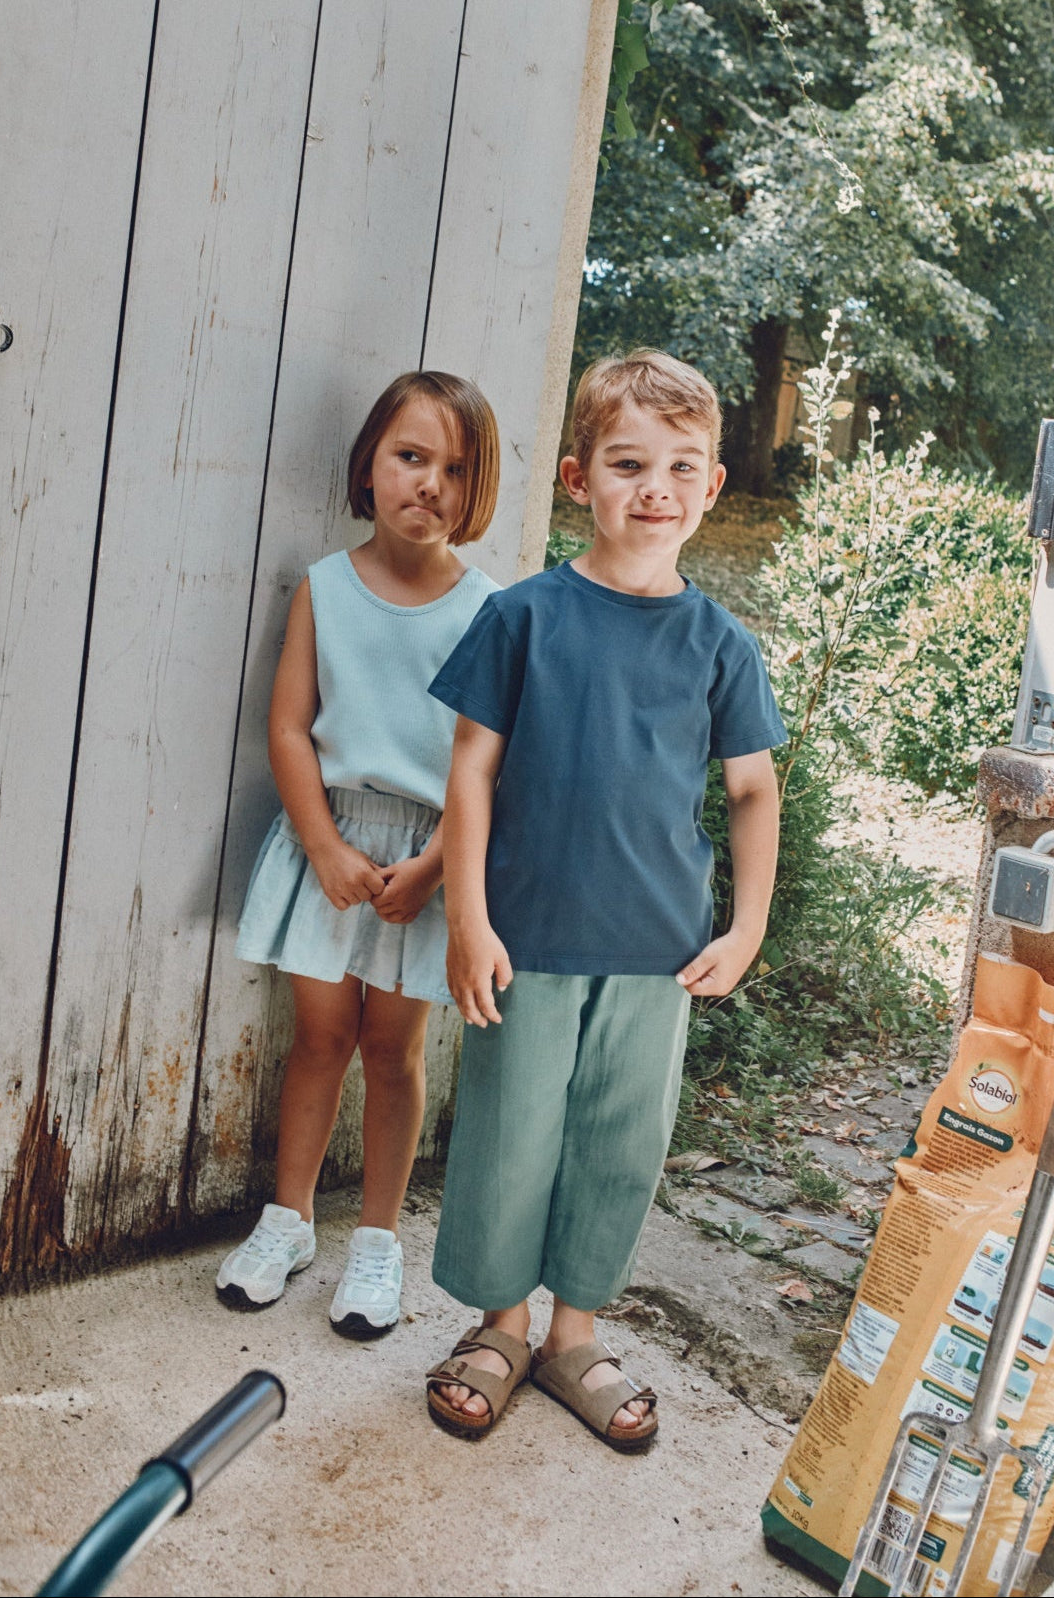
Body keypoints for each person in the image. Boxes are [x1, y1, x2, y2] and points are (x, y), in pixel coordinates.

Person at [423, 349, 786, 1447]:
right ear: (579, 479)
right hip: (525, 937)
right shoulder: (523, 618)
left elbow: (752, 789)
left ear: (711, 485)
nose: (655, 488)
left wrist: (747, 926)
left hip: (657, 950)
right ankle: (501, 1328)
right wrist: (466, 916)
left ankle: (572, 1335)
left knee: (618, 1144)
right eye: (628, 463)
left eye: (681, 466)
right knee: (510, 1135)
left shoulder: (720, 645)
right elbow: (471, 772)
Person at [217, 370, 500, 1335]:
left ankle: (377, 1242)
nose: (429, 484)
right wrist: (324, 846)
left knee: (393, 1049)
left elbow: (487, 765)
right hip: (330, 844)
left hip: (428, 856)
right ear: (369, 466)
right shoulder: (326, 588)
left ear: (476, 490)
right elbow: (289, 729)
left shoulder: (489, 612)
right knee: (321, 1039)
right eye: (410, 457)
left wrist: (435, 869)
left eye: (455, 470)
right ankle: (287, 1221)